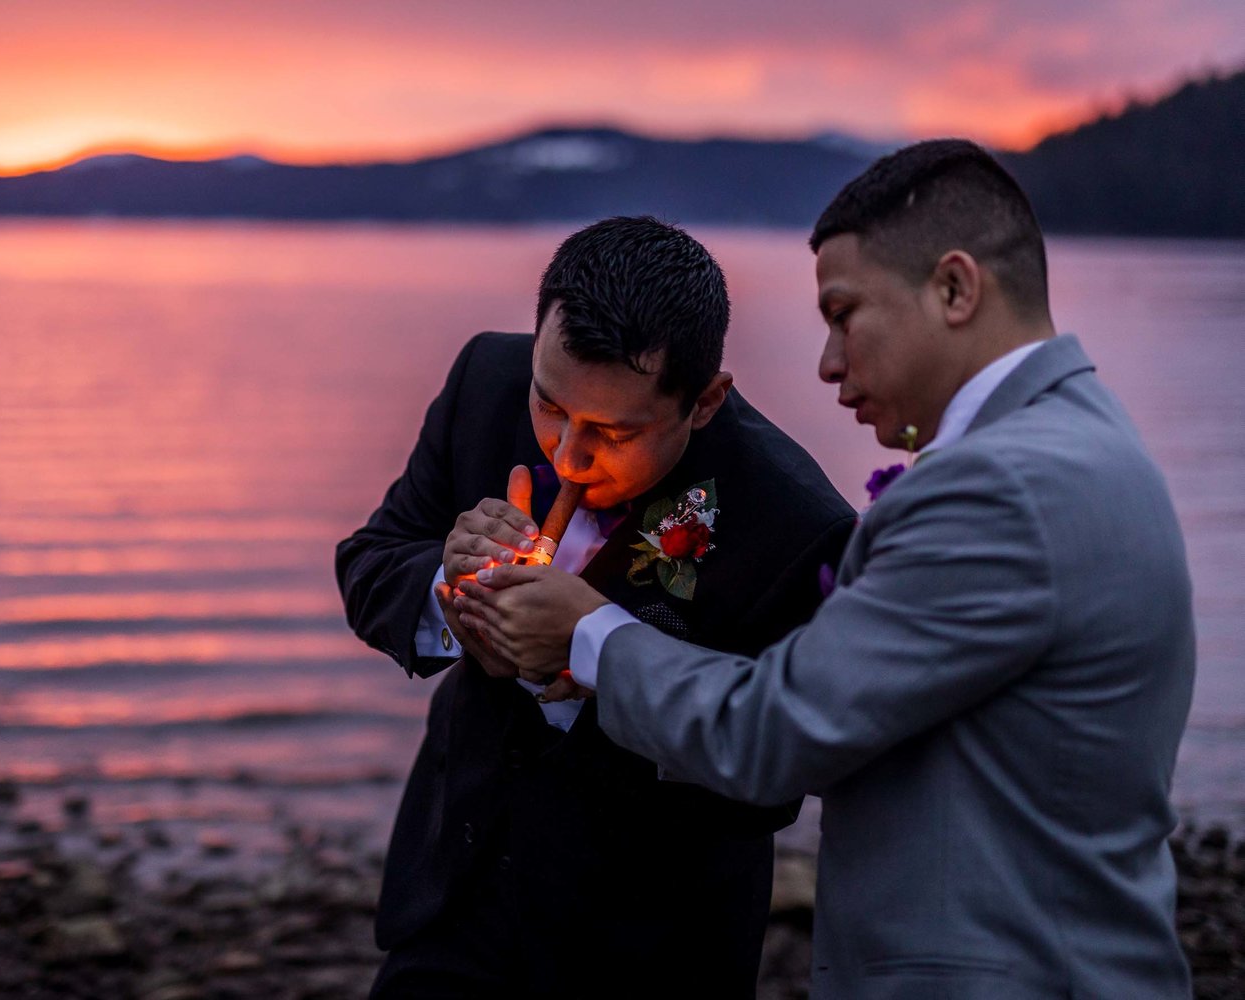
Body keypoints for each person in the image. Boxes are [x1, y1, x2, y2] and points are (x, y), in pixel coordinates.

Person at [459, 142, 1196, 998]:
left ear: (956, 289)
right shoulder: (1088, 441)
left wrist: (583, 632)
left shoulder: (1002, 489)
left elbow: (774, 734)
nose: (828, 363)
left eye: (845, 314)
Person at [336, 216, 856, 998]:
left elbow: (772, 775)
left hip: (650, 944)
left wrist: (590, 663)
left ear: (706, 400)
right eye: (551, 407)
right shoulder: (486, 379)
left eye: (614, 430)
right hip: (455, 896)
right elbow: (370, 561)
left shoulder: (795, 522)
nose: (568, 454)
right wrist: (453, 593)